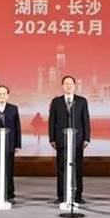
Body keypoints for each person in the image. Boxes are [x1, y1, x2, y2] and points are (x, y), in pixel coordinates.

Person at [48, 75, 90, 204]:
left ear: (74, 86)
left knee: (77, 168)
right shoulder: (56, 102)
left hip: (77, 140)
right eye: (66, 84)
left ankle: (77, 196)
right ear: (62, 86)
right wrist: (52, 138)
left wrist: (86, 138)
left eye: (71, 84)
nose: (68, 86)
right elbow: (52, 121)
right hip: (61, 140)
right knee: (61, 168)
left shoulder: (81, 101)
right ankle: (62, 196)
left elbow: (85, 120)